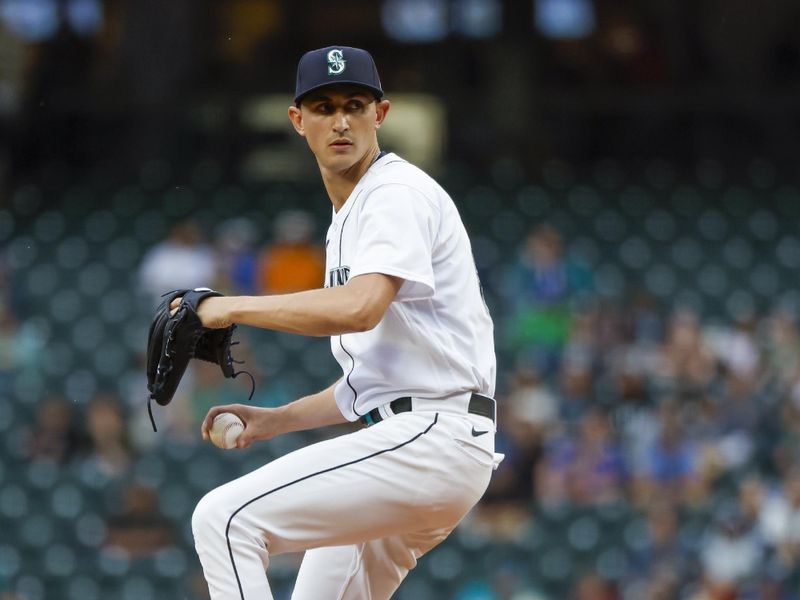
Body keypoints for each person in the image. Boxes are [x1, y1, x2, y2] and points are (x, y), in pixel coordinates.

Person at [184, 46, 499, 599]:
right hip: (421, 441)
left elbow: (359, 308)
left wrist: (228, 307)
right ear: (296, 120)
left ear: (380, 114)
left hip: (428, 440)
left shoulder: (392, 193)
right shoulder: (350, 215)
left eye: (355, 104)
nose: (340, 120)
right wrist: (274, 421)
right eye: (323, 107)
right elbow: (372, 381)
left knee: (225, 519)